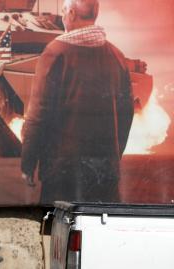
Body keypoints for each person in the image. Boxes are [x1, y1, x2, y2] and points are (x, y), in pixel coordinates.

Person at [21, 0, 134, 204]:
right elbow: (127, 114)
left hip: (63, 172)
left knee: (58, 231)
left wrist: (28, 163)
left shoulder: (55, 53)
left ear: (72, 14)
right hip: (105, 172)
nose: (62, 17)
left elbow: (38, 114)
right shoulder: (117, 56)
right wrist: (113, 158)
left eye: (64, 12)